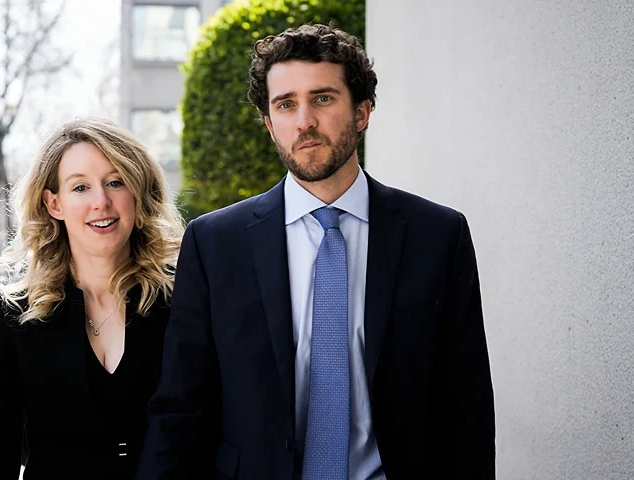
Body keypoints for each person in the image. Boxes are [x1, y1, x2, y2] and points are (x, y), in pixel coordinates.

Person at [137, 24, 495, 480]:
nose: (303, 120)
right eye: (285, 105)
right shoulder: (215, 243)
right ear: (269, 124)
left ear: (362, 112)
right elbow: (181, 407)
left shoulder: (438, 236)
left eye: (323, 98)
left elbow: (467, 407)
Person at [0, 118, 184, 479]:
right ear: (54, 203)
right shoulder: (14, 309)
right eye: (80, 187)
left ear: (139, 193)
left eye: (116, 182)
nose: (101, 201)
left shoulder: (184, 298)